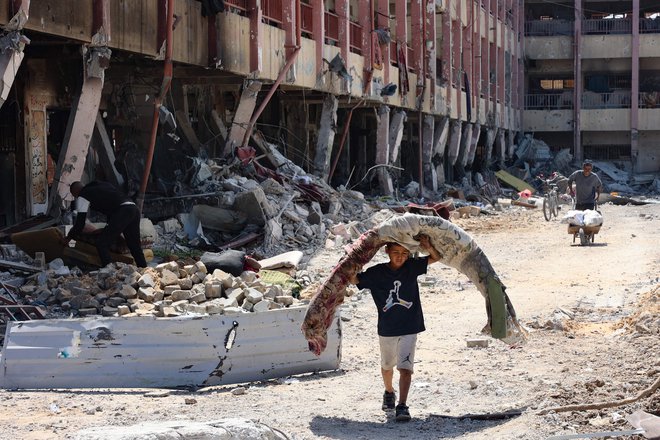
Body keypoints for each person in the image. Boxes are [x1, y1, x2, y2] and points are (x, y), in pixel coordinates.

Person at [349, 235, 441, 422]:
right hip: (387, 328)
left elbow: (435, 257)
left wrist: (428, 246)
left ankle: (402, 405)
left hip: (410, 326)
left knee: (405, 368)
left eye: (404, 253)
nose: (400, 257)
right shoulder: (376, 273)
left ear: (408, 255)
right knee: (387, 366)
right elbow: (354, 280)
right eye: (396, 252)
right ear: (387, 252)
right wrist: (352, 263)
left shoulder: (411, 267)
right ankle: (389, 392)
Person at [64, 181, 147, 268]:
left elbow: (80, 224)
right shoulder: (100, 185)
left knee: (102, 243)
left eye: (75, 196)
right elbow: (112, 204)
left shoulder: (83, 195)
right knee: (134, 246)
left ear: (75, 192)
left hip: (122, 211)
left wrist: (69, 237)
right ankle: (145, 270)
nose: (76, 198)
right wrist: (107, 228)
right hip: (133, 208)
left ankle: (109, 271)